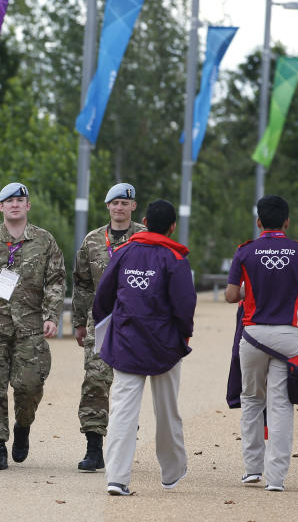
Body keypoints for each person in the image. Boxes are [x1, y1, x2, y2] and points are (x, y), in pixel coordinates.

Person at [224, 195, 298, 492]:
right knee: (282, 405)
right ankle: (277, 479)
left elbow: (231, 295)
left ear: (259, 221)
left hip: (253, 335)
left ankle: (251, 470)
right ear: (287, 222)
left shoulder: (245, 251)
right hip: (287, 336)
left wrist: (249, 289)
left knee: (251, 400)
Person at [93, 199, 195, 496]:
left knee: (122, 412)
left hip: (126, 344)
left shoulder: (124, 252)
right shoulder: (176, 259)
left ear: (145, 222)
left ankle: (117, 477)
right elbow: (185, 306)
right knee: (167, 412)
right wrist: (182, 338)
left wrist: (108, 329)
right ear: (172, 227)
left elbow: (104, 297)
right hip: (165, 346)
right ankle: (171, 473)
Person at [0, 182, 65, 471]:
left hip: (31, 325)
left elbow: (56, 280)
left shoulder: (45, 241)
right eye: (8, 200)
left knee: (30, 385)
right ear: (0, 207)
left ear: (28, 206)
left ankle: (23, 425)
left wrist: (51, 315)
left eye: (20, 200)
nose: (14, 204)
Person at [71, 183, 146, 472]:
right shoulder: (92, 240)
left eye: (124, 204)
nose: (119, 208)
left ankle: (124, 441)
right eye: (114, 203)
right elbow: (81, 282)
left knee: (128, 383)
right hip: (100, 321)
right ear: (107, 207)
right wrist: (79, 321)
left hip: (135, 321)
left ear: (133, 207)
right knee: (95, 380)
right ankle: (94, 448)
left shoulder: (143, 238)